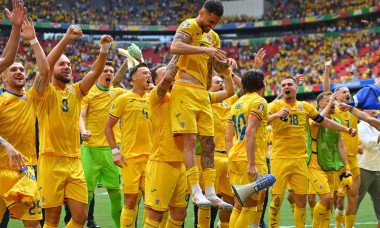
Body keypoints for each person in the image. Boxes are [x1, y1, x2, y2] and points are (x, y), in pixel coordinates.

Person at [37, 24, 113, 228]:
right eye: (62, 64)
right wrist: (67, 39)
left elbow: (96, 71)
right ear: (52, 69)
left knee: (80, 218)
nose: (67, 67)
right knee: (51, 220)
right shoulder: (44, 92)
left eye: (69, 64)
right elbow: (44, 65)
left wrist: (104, 49)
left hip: (74, 161)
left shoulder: (76, 91)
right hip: (51, 160)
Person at [170, 0, 236, 208]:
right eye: (210, 21)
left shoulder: (213, 37)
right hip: (184, 89)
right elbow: (175, 46)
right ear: (201, 13)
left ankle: (210, 191)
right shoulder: (189, 25)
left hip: (202, 93)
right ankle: (196, 191)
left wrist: (226, 66)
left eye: (215, 23)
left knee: (209, 143)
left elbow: (216, 66)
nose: (212, 26)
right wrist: (204, 51)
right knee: (190, 142)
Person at [268, 77, 356, 228]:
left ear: (296, 88)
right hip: (279, 159)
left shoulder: (306, 107)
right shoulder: (275, 106)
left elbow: (325, 121)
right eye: (283, 85)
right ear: (280, 90)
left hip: (301, 160)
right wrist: (276, 115)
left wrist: (346, 129)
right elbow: (259, 121)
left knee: (301, 201)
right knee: (277, 200)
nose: (286, 87)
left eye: (289, 84)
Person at [0, 12, 49, 228]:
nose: (19, 72)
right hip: (0, 167)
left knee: (34, 224)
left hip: (26, 168)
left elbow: (45, 71)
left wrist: (33, 40)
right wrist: (6, 145)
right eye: (14, 70)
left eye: (22, 69)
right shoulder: (0, 100)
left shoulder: (31, 98)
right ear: (3, 77)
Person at [142, 55, 189, 228]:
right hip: (161, 161)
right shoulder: (156, 96)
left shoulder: (180, 97)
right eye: (163, 75)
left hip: (181, 162)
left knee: (180, 213)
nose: (171, 76)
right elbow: (168, 78)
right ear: (155, 82)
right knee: (156, 213)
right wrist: (181, 52)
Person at [105, 62, 152, 228]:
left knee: (151, 203)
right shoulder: (123, 98)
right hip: (130, 159)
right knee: (130, 202)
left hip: (152, 159)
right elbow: (108, 127)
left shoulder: (154, 98)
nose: (149, 75)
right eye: (145, 73)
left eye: (149, 73)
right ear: (134, 77)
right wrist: (115, 152)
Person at [79, 61, 125, 228]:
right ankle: (83, 223)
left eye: (111, 71)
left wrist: (127, 63)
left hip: (111, 151)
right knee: (87, 194)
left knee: (116, 194)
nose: (109, 73)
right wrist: (82, 131)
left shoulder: (118, 92)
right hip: (90, 150)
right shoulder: (88, 94)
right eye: (105, 70)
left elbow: (132, 93)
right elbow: (81, 116)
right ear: (97, 73)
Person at [225, 69, 268, 228]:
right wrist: (251, 163)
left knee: (238, 205)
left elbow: (228, 137)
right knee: (249, 207)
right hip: (249, 158)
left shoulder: (236, 104)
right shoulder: (258, 102)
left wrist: (230, 160)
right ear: (262, 83)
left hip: (235, 158)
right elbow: (250, 131)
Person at [323, 60, 360, 228]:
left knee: (354, 195)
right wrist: (327, 70)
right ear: (336, 97)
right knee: (336, 200)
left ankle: (348, 226)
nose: (348, 94)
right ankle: (334, 225)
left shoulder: (353, 109)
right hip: (335, 160)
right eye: (344, 92)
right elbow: (325, 92)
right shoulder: (335, 109)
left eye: (349, 92)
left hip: (352, 160)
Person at [306, 91, 352, 227]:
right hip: (315, 164)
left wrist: (347, 168)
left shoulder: (337, 122)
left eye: (333, 100)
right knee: (324, 198)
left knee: (329, 203)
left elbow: (341, 146)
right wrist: (331, 101)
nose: (333, 102)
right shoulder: (312, 118)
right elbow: (317, 121)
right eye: (329, 100)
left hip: (330, 165)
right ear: (320, 104)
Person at [356, 109, 380, 228]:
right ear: (364, 114)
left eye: (376, 113)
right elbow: (369, 144)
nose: (375, 115)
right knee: (356, 199)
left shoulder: (376, 126)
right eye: (372, 113)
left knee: (379, 200)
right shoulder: (360, 126)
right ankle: (346, 223)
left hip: (377, 168)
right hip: (363, 167)